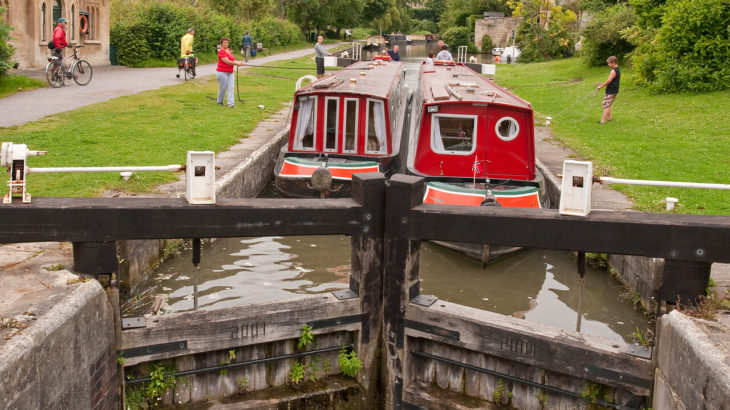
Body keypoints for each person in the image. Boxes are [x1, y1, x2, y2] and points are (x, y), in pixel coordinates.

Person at [216, 37, 244, 108]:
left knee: (231, 87)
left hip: (230, 72)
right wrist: (236, 63)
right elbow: (226, 61)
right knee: (223, 87)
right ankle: (220, 101)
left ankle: (231, 103)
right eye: (224, 42)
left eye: (227, 42)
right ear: (221, 43)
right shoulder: (221, 51)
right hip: (222, 72)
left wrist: (238, 63)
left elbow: (231, 60)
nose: (225, 43)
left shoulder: (228, 50)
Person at [596, 56, 620, 124]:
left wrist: (601, 86)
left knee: (606, 104)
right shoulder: (617, 69)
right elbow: (612, 80)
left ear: (614, 62)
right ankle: (609, 118)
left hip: (611, 90)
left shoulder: (613, 70)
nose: (608, 64)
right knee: (608, 104)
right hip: (613, 89)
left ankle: (603, 120)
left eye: (609, 63)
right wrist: (603, 83)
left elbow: (609, 80)